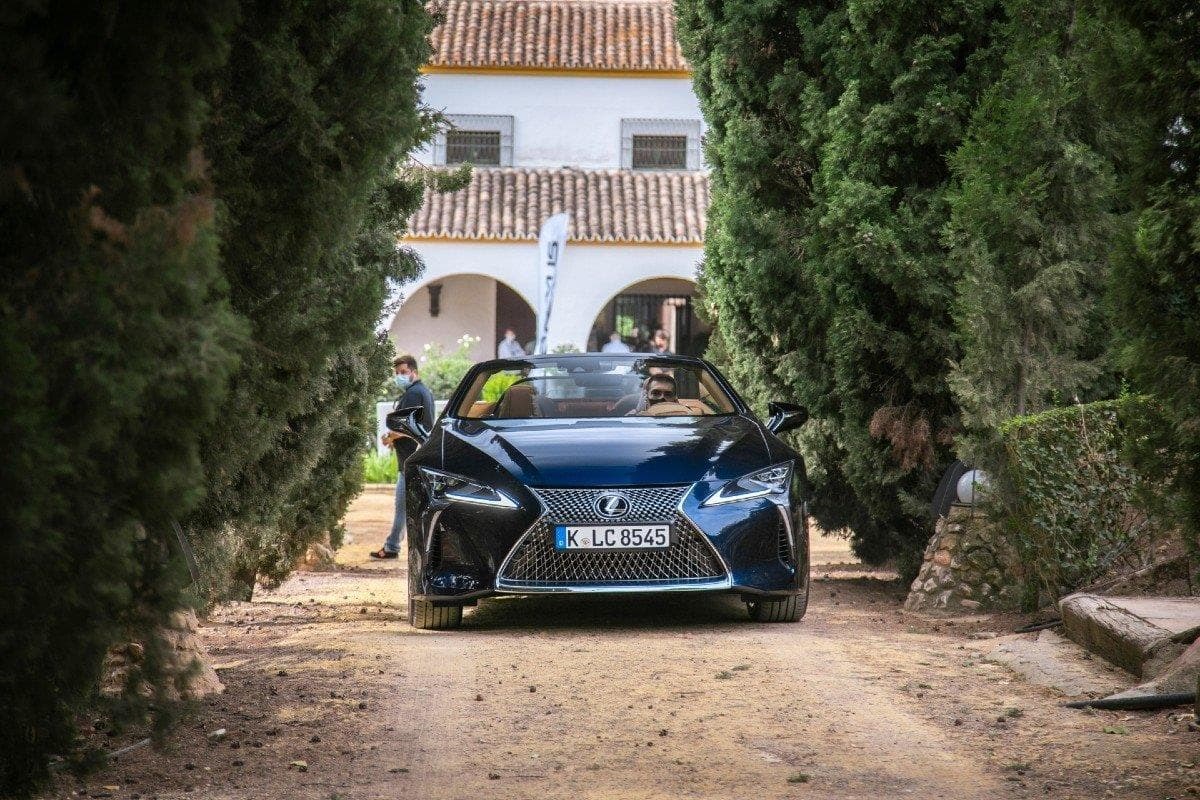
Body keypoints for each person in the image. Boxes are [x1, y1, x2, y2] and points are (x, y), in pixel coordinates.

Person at [370, 354, 435, 560]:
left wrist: (390, 437)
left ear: (414, 372)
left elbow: (408, 425)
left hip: (409, 460)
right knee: (410, 506)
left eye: (403, 372)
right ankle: (395, 545)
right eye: (397, 373)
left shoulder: (413, 394)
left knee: (402, 506)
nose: (399, 376)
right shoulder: (423, 392)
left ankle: (392, 547)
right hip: (413, 457)